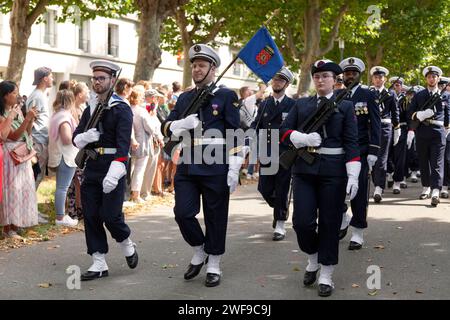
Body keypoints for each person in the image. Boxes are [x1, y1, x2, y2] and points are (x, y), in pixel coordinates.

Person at [160, 44, 241, 287]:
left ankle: (214, 261)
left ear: (213, 69)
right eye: (194, 65)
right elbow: (167, 126)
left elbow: (235, 130)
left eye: (202, 65)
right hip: (188, 163)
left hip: (216, 163)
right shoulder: (185, 97)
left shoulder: (226, 96)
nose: (196, 69)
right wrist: (180, 124)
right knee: (183, 212)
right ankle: (199, 248)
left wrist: (235, 164)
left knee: (216, 215)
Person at [280, 59, 360, 297]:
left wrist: (353, 173)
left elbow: (351, 142)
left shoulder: (345, 106)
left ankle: (326, 272)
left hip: (333, 170)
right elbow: (283, 131)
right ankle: (313, 257)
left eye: (325, 76)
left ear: (335, 80)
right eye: (317, 76)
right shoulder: (302, 104)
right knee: (301, 222)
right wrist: (301, 139)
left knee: (329, 223)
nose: (320, 80)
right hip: (304, 169)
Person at [72, 60, 138, 280]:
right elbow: (76, 136)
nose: (97, 82)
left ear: (112, 80)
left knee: (110, 216)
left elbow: (123, 145)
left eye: (101, 78)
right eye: (95, 78)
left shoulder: (121, 108)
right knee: (91, 215)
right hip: (92, 166)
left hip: (113, 166)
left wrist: (116, 169)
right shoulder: (90, 107)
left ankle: (126, 242)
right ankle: (98, 261)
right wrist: (84, 138)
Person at [338, 57, 380, 250]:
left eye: (354, 73)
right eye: (347, 73)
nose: (350, 76)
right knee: (336, 189)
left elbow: (375, 124)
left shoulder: (368, 95)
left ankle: (358, 231)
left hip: (361, 150)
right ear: (343, 75)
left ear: (359, 75)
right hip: (338, 151)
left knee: (359, 192)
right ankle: (343, 217)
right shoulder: (337, 95)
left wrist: (373, 150)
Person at [252, 67, 295, 241]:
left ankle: (280, 223)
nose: (277, 82)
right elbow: (256, 124)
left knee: (282, 188)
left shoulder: (292, 105)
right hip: (267, 151)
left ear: (286, 83)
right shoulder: (265, 103)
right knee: (264, 188)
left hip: (285, 152)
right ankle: (280, 207)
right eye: (275, 79)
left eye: (280, 80)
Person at [0, 81, 39, 238]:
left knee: (22, 190)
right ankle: (8, 227)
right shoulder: (3, 115)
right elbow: (13, 135)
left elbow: (26, 133)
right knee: (12, 190)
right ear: (5, 96)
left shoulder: (16, 110)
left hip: (22, 154)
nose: (17, 96)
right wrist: (25, 119)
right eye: (14, 93)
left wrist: (30, 120)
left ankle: (17, 223)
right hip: (10, 156)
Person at [408, 66, 449, 206]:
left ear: (438, 78)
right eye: (429, 77)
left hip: (438, 132)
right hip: (423, 131)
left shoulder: (445, 95)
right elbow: (410, 113)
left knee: (437, 162)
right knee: (424, 162)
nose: (432, 79)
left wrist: (447, 128)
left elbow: (448, 115)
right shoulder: (419, 95)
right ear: (426, 79)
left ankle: (436, 190)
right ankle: (426, 187)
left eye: (434, 76)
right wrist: (418, 115)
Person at [48, 90, 80, 227]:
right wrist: (81, 138)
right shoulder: (65, 117)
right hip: (66, 156)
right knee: (62, 188)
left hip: (59, 155)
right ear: (71, 100)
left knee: (61, 187)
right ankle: (60, 218)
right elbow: (67, 139)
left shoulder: (56, 115)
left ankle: (61, 215)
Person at [369, 66, 400, 203]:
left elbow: (395, 112)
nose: (378, 79)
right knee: (372, 158)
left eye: (380, 77)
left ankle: (379, 187)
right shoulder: (368, 93)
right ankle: (376, 183)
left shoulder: (391, 94)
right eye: (376, 77)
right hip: (370, 127)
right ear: (372, 79)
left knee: (382, 158)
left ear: (385, 79)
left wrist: (397, 128)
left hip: (385, 127)